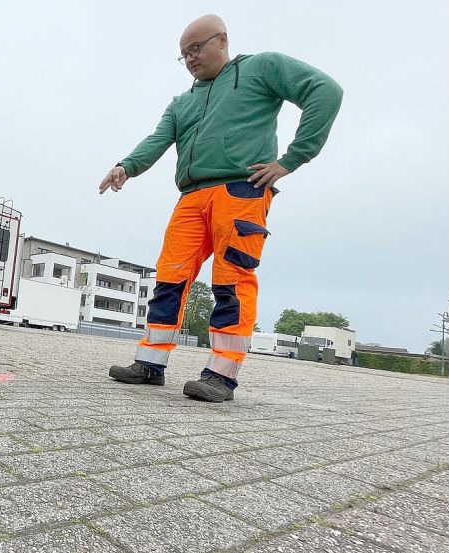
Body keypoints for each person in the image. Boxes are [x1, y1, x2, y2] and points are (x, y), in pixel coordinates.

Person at [101, 14, 343, 402]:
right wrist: (126, 166)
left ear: (222, 41)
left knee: (231, 279)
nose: (191, 59)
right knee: (169, 278)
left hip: (240, 190)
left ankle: (221, 375)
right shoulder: (183, 102)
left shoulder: (261, 67)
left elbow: (325, 90)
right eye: (183, 55)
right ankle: (150, 364)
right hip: (191, 197)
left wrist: (291, 160)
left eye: (196, 48)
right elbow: (158, 139)